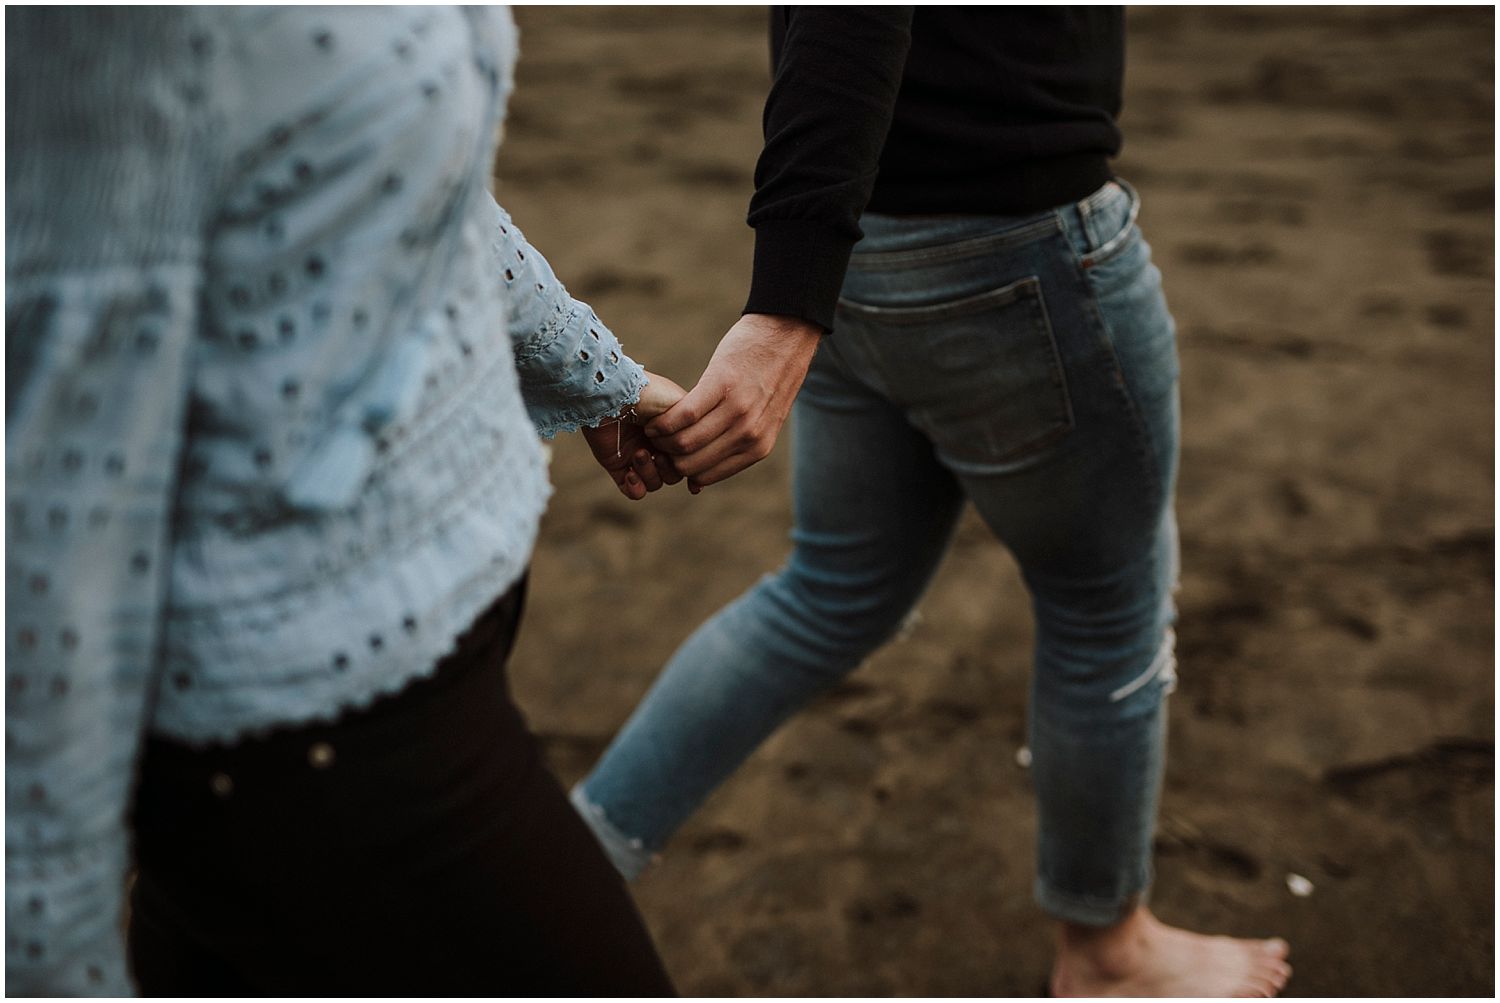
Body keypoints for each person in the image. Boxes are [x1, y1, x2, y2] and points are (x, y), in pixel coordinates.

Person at [574, 7, 1293, 997]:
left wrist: (806, 275)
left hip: (859, 250)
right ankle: (1109, 952)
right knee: (1106, 609)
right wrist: (785, 301)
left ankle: (571, 864)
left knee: (828, 591)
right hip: (1013, 242)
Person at [6, 7, 681, 996]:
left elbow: (421, 185)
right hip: (307, 723)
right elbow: (53, 476)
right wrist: (45, 954)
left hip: (402, 661)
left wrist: (593, 370)